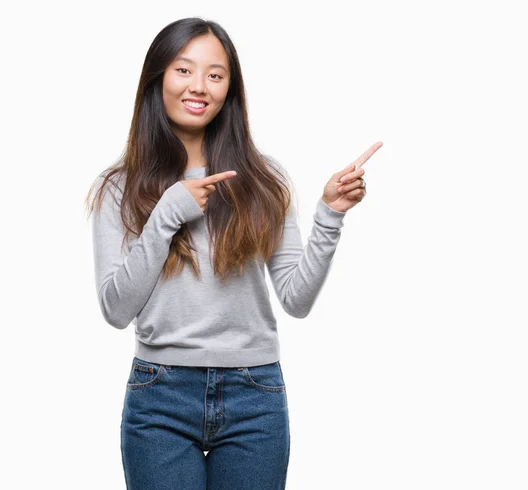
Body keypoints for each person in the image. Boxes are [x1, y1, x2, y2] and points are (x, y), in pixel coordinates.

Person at [85, 17, 381, 490]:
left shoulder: (263, 179)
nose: (198, 86)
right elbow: (116, 310)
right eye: (184, 70)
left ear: (230, 88)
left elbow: (295, 300)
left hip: (254, 395)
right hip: (159, 396)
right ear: (158, 78)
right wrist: (168, 212)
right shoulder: (118, 187)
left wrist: (331, 214)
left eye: (215, 75)